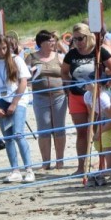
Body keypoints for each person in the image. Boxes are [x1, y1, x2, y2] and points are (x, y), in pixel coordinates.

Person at [61, 22, 111, 175]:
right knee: (81, 131)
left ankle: (104, 165)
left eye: (80, 38)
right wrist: (68, 86)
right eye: (74, 39)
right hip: (76, 96)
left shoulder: (99, 51)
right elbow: (64, 72)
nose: (77, 42)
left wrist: (106, 86)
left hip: (96, 96)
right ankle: (81, 167)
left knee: (97, 131)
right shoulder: (71, 54)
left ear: (88, 37)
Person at [0, 34, 34, 183]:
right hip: (0, 100)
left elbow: (23, 81)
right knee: (8, 138)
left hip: (18, 99)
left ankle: (29, 170)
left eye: (4, 48)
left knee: (18, 134)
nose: (2, 51)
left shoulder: (16, 60)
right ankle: (15, 170)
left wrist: (15, 103)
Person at [25, 30, 67, 170]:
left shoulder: (59, 57)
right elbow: (24, 77)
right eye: (49, 40)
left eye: (53, 40)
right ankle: (46, 162)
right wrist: (30, 74)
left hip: (59, 96)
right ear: (41, 43)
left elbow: (67, 74)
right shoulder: (31, 57)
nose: (53, 42)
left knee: (59, 128)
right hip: (40, 97)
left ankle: (60, 161)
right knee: (44, 129)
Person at [83, 72, 111, 186]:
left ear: (97, 85)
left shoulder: (103, 98)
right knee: (97, 141)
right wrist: (92, 130)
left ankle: (110, 168)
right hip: (102, 119)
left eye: (89, 82)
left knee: (104, 137)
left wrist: (100, 132)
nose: (85, 84)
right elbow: (92, 115)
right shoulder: (87, 95)